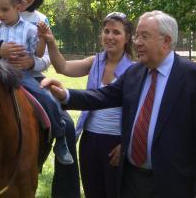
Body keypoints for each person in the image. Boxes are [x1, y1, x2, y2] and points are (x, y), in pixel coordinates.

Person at [42, 10, 196, 198]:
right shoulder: (135, 73)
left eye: (144, 36)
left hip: (172, 183)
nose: (137, 42)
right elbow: (102, 96)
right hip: (130, 179)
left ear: (167, 41)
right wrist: (65, 95)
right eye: (137, 35)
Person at [0, 0, 73, 166]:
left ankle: (60, 140)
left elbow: (37, 53)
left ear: (18, 7)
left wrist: (43, 38)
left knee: (48, 99)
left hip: (23, 76)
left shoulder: (29, 28)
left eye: (5, 9)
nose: (0, 14)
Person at [38, 11, 134, 198]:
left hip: (116, 143)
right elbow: (63, 67)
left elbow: (137, 114)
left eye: (116, 32)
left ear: (127, 37)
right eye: (106, 31)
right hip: (90, 139)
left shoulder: (134, 70)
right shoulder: (95, 62)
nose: (110, 37)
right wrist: (50, 41)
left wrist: (125, 143)